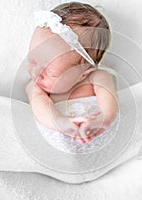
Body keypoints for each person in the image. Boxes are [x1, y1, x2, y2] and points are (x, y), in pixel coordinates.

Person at [25, 2, 118, 145]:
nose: (36, 72)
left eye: (52, 72)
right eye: (32, 60)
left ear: (83, 73)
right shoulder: (36, 87)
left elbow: (110, 105)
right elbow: (41, 109)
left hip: (97, 140)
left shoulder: (97, 77)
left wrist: (101, 120)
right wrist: (62, 123)